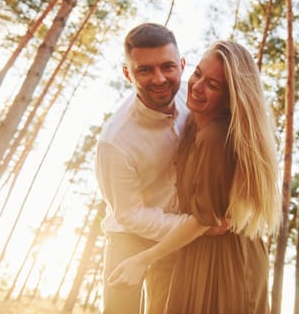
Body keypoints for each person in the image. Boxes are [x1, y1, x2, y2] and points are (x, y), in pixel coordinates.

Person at [108, 40, 282, 314]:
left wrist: (143, 259)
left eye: (213, 85)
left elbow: (207, 219)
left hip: (225, 259)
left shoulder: (216, 137)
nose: (198, 86)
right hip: (196, 251)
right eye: (198, 74)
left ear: (230, 96)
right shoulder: (193, 120)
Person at [96, 22, 225, 314]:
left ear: (181, 64)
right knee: (119, 309)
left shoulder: (193, 98)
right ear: (128, 73)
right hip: (129, 233)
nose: (159, 79)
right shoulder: (115, 141)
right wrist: (197, 227)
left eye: (167, 67)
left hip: (180, 232)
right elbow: (128, 213)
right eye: (145, 70)